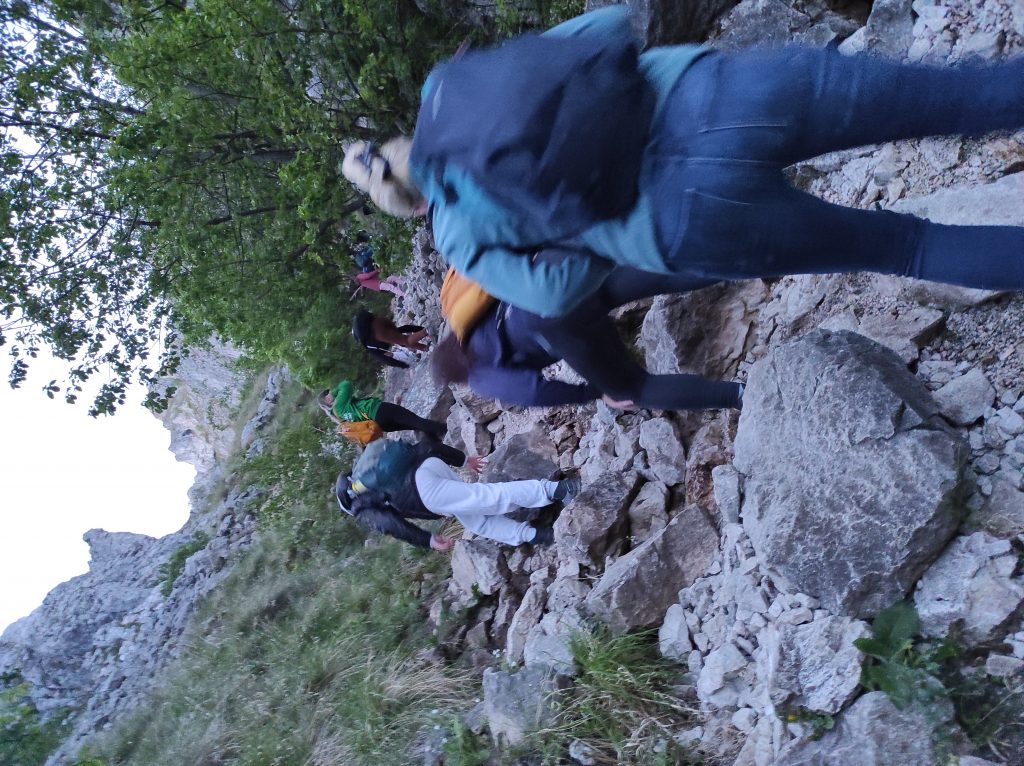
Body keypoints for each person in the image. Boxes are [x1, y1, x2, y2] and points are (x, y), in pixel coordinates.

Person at [341, 7, 1024, 319]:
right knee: (968, 99)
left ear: (410, 203)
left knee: (906, 246)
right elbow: (609, 25)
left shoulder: (454, 233)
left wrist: (590, 234)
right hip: (720, 94)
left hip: (687, 222)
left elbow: (552, 297)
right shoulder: (447, 90)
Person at [431, 264, 742, 411]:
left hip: (558, 326)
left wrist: (594, 392)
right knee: (624, 286)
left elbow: (534, 392)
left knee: (634, 389)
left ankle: (738, 395)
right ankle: (743, 262)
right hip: (555, 284)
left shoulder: (479, 378)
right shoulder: (467, 323)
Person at [335, 439, 581, 549]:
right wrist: (461, 459)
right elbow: (424, 445)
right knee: (477, 521)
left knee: (486, 497)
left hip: (423, 492)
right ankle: (538, 535)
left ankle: (558, 489)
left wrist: (427, 541)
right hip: (429, 464)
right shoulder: (368, 470)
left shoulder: (358, 505)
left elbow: (391, 525)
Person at [319, 381, 446, 439]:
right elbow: (346, 385)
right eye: (329, 393)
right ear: (327, 399)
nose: (332, 392)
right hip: (378, 410)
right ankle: (446, 429)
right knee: (416, 421)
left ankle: (438, 438)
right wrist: (334, 392)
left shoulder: (339, 417)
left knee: (414, 425)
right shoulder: (338, 405)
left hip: (379, 425)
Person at [352, 309, 429, 369]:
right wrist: (420, 328)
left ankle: (427, 331)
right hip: (381, 320)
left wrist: (403, 365)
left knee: (406, 341)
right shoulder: (372, 325)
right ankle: (425, 347)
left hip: (379, 332)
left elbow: (386, 360)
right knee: (401, 341)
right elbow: (403, 328)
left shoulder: (371, 347)